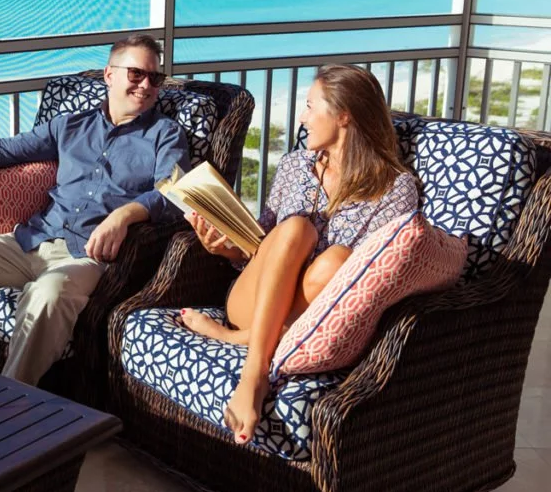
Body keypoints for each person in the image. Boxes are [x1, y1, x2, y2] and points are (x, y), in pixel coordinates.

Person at [0, 34, 191, 386]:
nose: (146, 85)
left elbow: (175, 192)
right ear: (110, 74)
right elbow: (4, 150)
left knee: (47, 294)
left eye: (155, 78)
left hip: (88, 256)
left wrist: (123, 215)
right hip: (32, 240)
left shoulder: (165, 134)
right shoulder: (70, 126)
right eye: (136, 74)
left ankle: (11, 400)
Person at [179, 64, 419, 445]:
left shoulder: (395, 189)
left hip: (318, 313)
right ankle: (255, 374)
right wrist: (224, 247)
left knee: (338, 261)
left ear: (344, 116)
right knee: (296, 229)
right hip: (253, 301)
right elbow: (260, 243)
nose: (302, 118)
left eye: (310, 106)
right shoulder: (294, 166)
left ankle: (239, 340)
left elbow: (373, 279)